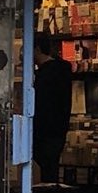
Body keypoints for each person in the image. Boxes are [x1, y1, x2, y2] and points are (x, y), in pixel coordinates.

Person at [33, 31, 73, 183]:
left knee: (43, 173)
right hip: (58, 132)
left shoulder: (44, 76)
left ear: (36, 49)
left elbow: (41, 105)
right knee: (51, 172)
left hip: (43, 133)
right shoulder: (63, 70)